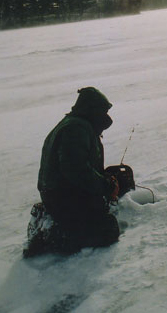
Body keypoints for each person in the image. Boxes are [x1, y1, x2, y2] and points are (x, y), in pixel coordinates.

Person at [37, 87, 120, 252]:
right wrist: (105, 186)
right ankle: (53, 235)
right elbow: (75, 170)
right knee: (107, 229)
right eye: (102, 112)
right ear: (92, 110)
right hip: (62, 196)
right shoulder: (76, 129)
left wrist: (104, 180)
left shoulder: (75, 124)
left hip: (60, 192)